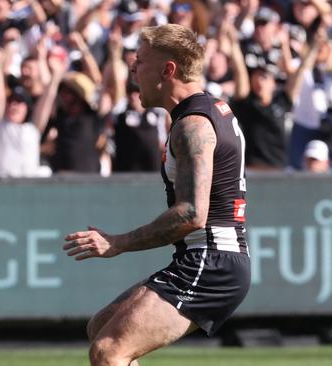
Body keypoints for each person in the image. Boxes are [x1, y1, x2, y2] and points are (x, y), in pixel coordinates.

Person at [63, 24, 250, 366]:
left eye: (140, 61)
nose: (132, 69)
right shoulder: (208, 110)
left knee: (108, 352)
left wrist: (117, 243)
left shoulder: (193, 125)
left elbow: (193, 213)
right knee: (101, 328)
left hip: (211, 261)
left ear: (168, 70)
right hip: (209, 258)